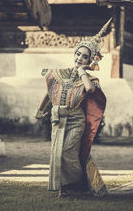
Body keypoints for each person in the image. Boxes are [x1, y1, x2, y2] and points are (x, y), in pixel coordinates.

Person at [36, 18, 112, 198]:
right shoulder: (60, 73)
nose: (79, 58)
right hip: (58, 119)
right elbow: (50, 93)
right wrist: (40, 110)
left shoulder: (89, 78)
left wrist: (82, 71)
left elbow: (89, 89)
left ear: (90, 59)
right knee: (58, 154)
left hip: (76, 121)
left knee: (68, 152)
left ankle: (80, 186)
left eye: (84, 56)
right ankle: (66, 188)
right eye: (78, 54)